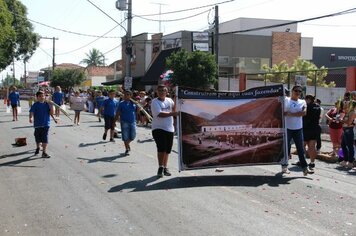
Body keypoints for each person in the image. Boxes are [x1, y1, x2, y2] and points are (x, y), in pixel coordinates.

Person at [282, 85, 314, 176]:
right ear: (292, 91)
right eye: (296, 90)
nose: (298, 92)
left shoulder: (303, 102)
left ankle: (305, 168)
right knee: (286, 148)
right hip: (287, 128)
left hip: (298, 129)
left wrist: (290, 114)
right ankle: (284, 166)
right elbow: (283, 112)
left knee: (300, 149)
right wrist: (295, 114)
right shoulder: (286, 100)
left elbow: (304, 113)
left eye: (300, 91)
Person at [151, 85, 179, 177]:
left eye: (164, 90)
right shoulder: (154, 102)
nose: (162, 92)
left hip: (169, 128)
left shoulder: (170, 100)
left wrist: (176, 97)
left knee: (167, 150)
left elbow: (175, 110)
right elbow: (160, 114)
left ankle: (165, 167)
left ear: (167, 92)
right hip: (158, 128)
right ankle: (160, 167)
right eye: (160, 91)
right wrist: (173, 113)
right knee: (161, 148)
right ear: (157, 92)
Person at [29, 91, 54, 158]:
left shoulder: (47, 104)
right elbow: (31, 112)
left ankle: (44, 152)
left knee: (45, 138)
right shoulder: (35, 104)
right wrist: (31, 118)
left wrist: (51, 105)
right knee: (37, 138)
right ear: (37, 97)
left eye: (43, 96)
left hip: (46, 124)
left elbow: (51, 113)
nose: (42, 97)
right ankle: (37, 147)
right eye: (40, 96)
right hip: (37, 124)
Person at [115, 90, 139, 155]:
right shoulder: (121, 103)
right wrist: (114, 122)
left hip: (132, 121)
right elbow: (118, 113)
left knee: (133, 136)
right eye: (125, 94)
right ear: (124, 95)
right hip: (124, 121)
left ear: (131, 95)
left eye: (128, 94)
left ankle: (127, 144)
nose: (127, 96)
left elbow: (137, 112)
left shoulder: (133, 103)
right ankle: (127, 149)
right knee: (125, 136)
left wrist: (138, 106)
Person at [303, 95, 321, 170]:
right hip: (315, 128)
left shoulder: (307, 106)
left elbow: (303, 115)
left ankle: (303, 160)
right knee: (312, 147)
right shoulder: (318, 107)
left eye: (305, 99)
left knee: (302, 145)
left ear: (308, 99)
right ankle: (312, 163)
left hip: (307, 128)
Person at [339, 100, 356, 168]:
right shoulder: (347, 112)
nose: (346, 105)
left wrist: (341, 120)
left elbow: (349, 122)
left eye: (348, 104)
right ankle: (345, 160)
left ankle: (350, 161)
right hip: (345, 129)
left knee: (349, 146)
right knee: (343, 145)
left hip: (349, 130)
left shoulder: (352, 112)